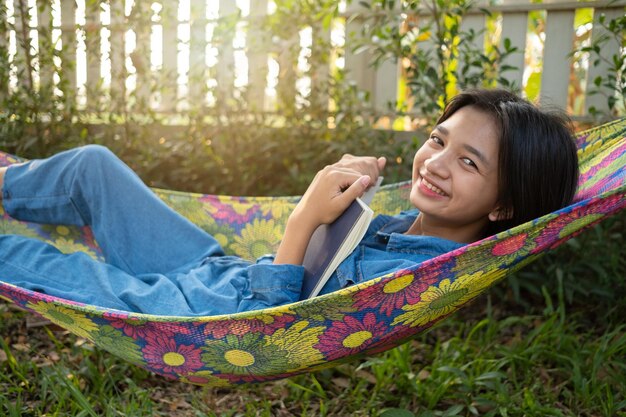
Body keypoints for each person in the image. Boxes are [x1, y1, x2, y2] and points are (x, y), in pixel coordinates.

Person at [0, 89, 579, 316]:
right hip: (217, 270)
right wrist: (352, 191)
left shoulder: (413, 277)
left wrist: (305, 216)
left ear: (503, 207)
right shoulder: (407, 224)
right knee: (94, 165)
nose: (435, 163)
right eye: (438, 140)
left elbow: (276, 321)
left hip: (204, 317)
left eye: (469, 162)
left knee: (46, 267)